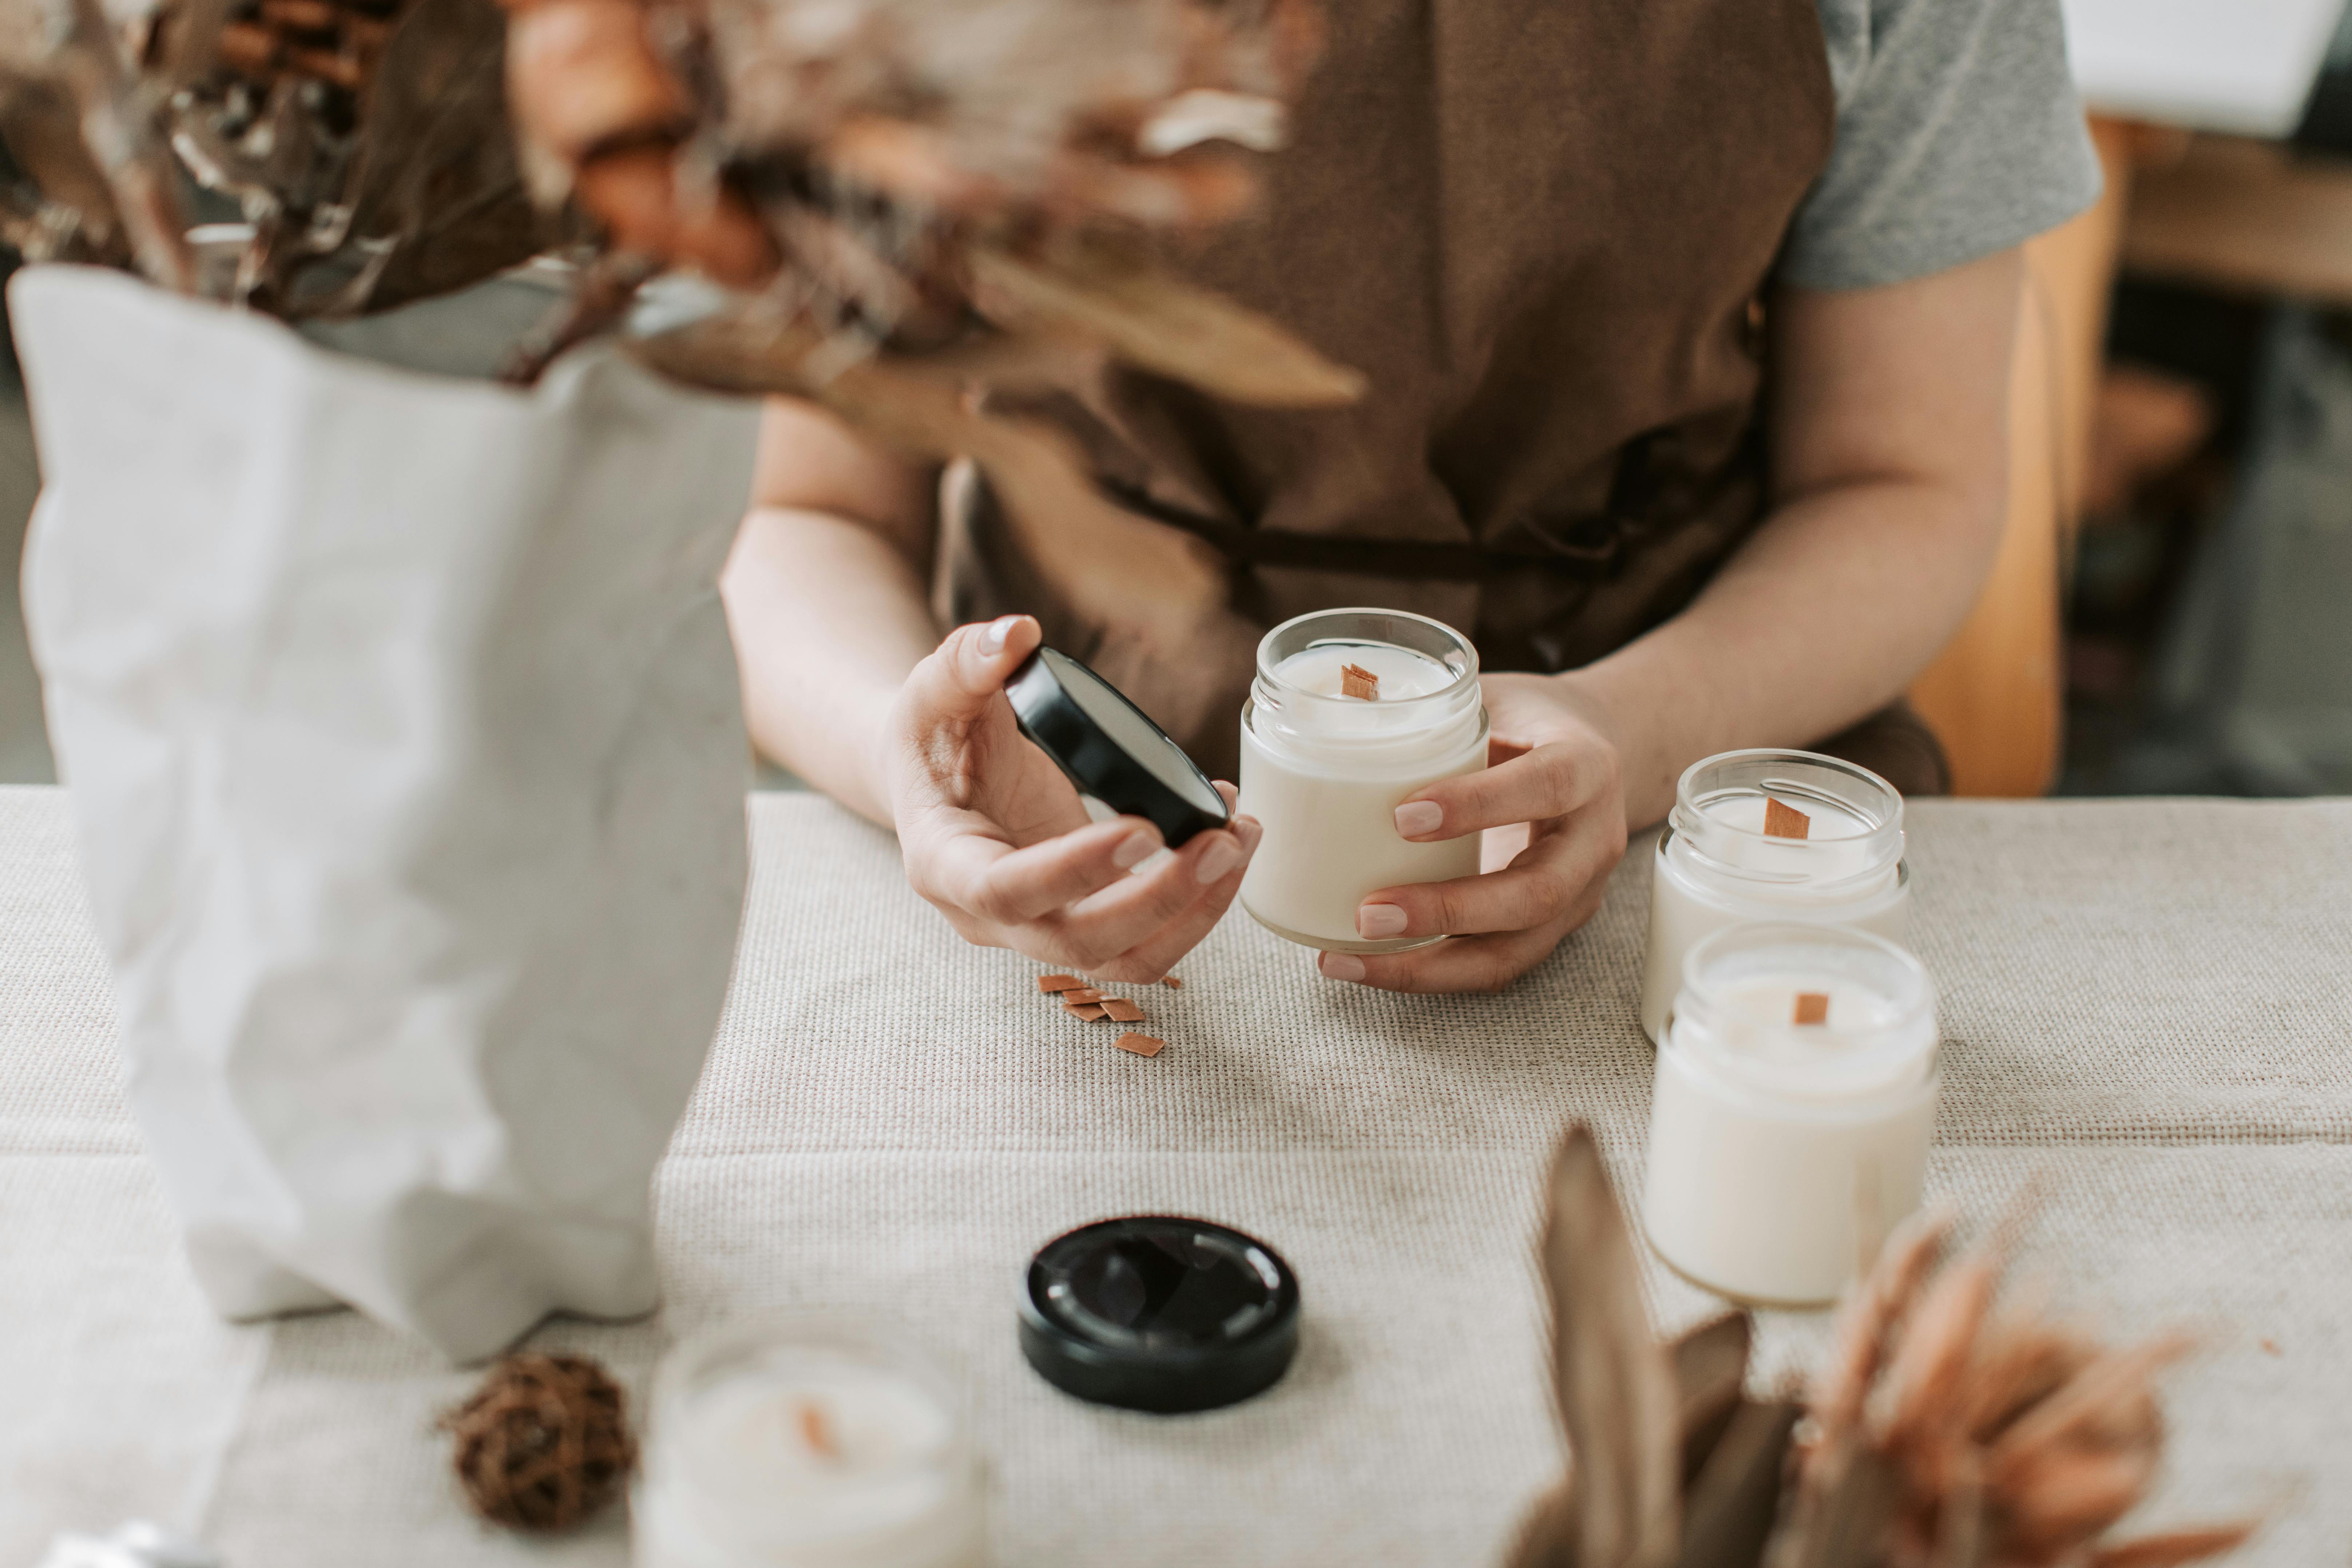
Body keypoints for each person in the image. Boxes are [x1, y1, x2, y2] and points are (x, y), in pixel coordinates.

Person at [720, 0, 2101, 994]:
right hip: (1066, 830)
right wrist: (911, 760)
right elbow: (805, 514)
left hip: (1673, 830)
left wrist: (1634, 731)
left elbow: (1899, 480)